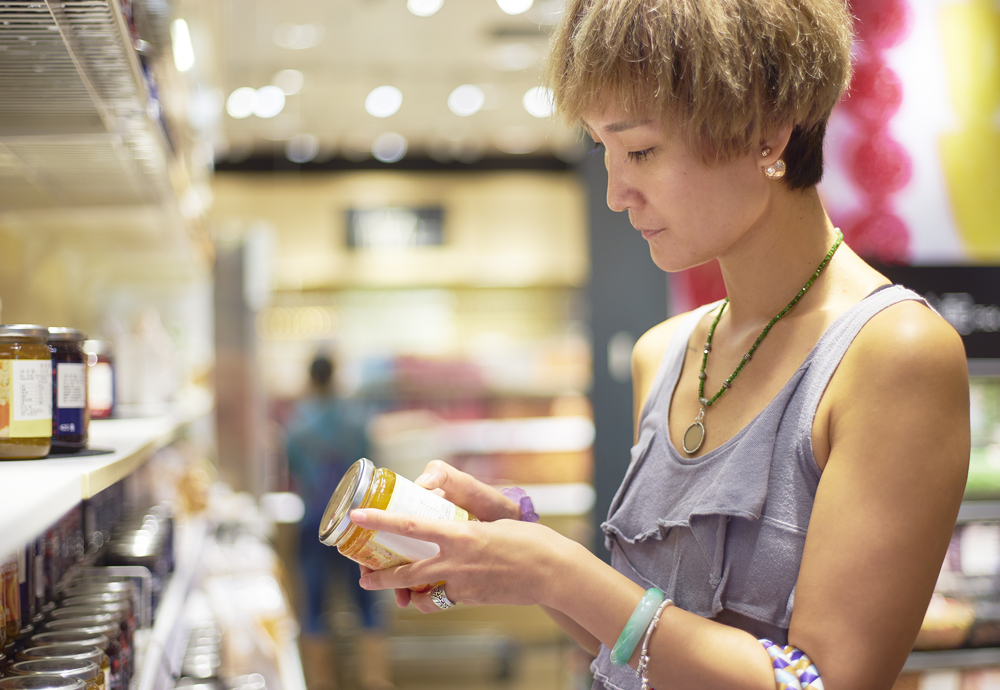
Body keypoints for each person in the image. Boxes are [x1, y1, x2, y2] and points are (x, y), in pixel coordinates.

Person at [349, 1, 971, 689]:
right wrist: (522, 554)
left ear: (768, 135)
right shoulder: (668, 352)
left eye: (641, 150)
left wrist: (556, 570)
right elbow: (642, 654)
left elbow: (824, 680)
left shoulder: (893, 353)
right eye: (603, 151)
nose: (617, 193)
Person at [285, 353, 393, 690]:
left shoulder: (297, 425)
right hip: (356, 523)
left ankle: (321, 682)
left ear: (309, 379)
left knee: (315, 607)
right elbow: (372, 468)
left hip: (316, 524)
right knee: (366, 601)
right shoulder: (356, 419)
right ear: (335, 377)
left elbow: (295, 471)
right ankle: (375, 679)